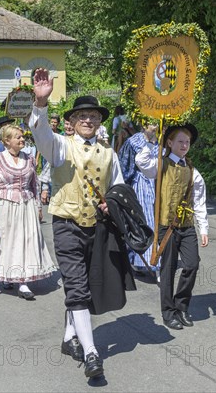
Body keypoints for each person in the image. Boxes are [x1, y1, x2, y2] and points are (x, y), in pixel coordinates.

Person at [29, 68, 124, 379]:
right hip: (67, 223)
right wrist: (41, 105)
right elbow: (40, 134)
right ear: (71, 121)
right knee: (77, 286)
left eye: (94, 116)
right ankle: (92, 352)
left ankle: (69, 336)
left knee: (83, 284)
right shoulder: (59, 145)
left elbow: (119, 189)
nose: (88, 120)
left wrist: (113, 202)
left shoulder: (110, 153)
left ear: (100, 121)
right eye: (82, 115)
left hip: (97, 226)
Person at [136, 124, 209, 330]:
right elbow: (141, 162)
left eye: (187, 142)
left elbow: (199, 201)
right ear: (169, 143)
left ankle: (182, 306)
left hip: (186, 227)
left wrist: (203, 228)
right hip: (165, 226)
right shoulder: (160, 164)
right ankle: (168, 312)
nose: (185, 145)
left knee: (191, 265)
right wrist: (152, 141)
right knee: (167, 270)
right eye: (180, 141)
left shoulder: (193, 171)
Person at [0, 124, 57, 299]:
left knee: (26, 241)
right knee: (8, 243)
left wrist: (39, 206)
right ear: (7, 141)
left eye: (22, 136)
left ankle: (23, 282)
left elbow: (34, 184)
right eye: (18, 137)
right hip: (5, 206)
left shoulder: (29, 158)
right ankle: (8, 275)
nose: (22, 139)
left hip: (27, 205)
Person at [118, 122, 160, 275]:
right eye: (151, 124)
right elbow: (124, 165)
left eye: (156, 123)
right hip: (140, 184)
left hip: (158, 184)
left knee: (158, 221)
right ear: (143, 125)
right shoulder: (133, 142)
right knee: (142, 222)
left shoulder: (163, 141)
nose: (155, 127)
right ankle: (138, 258)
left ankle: (156, 257)